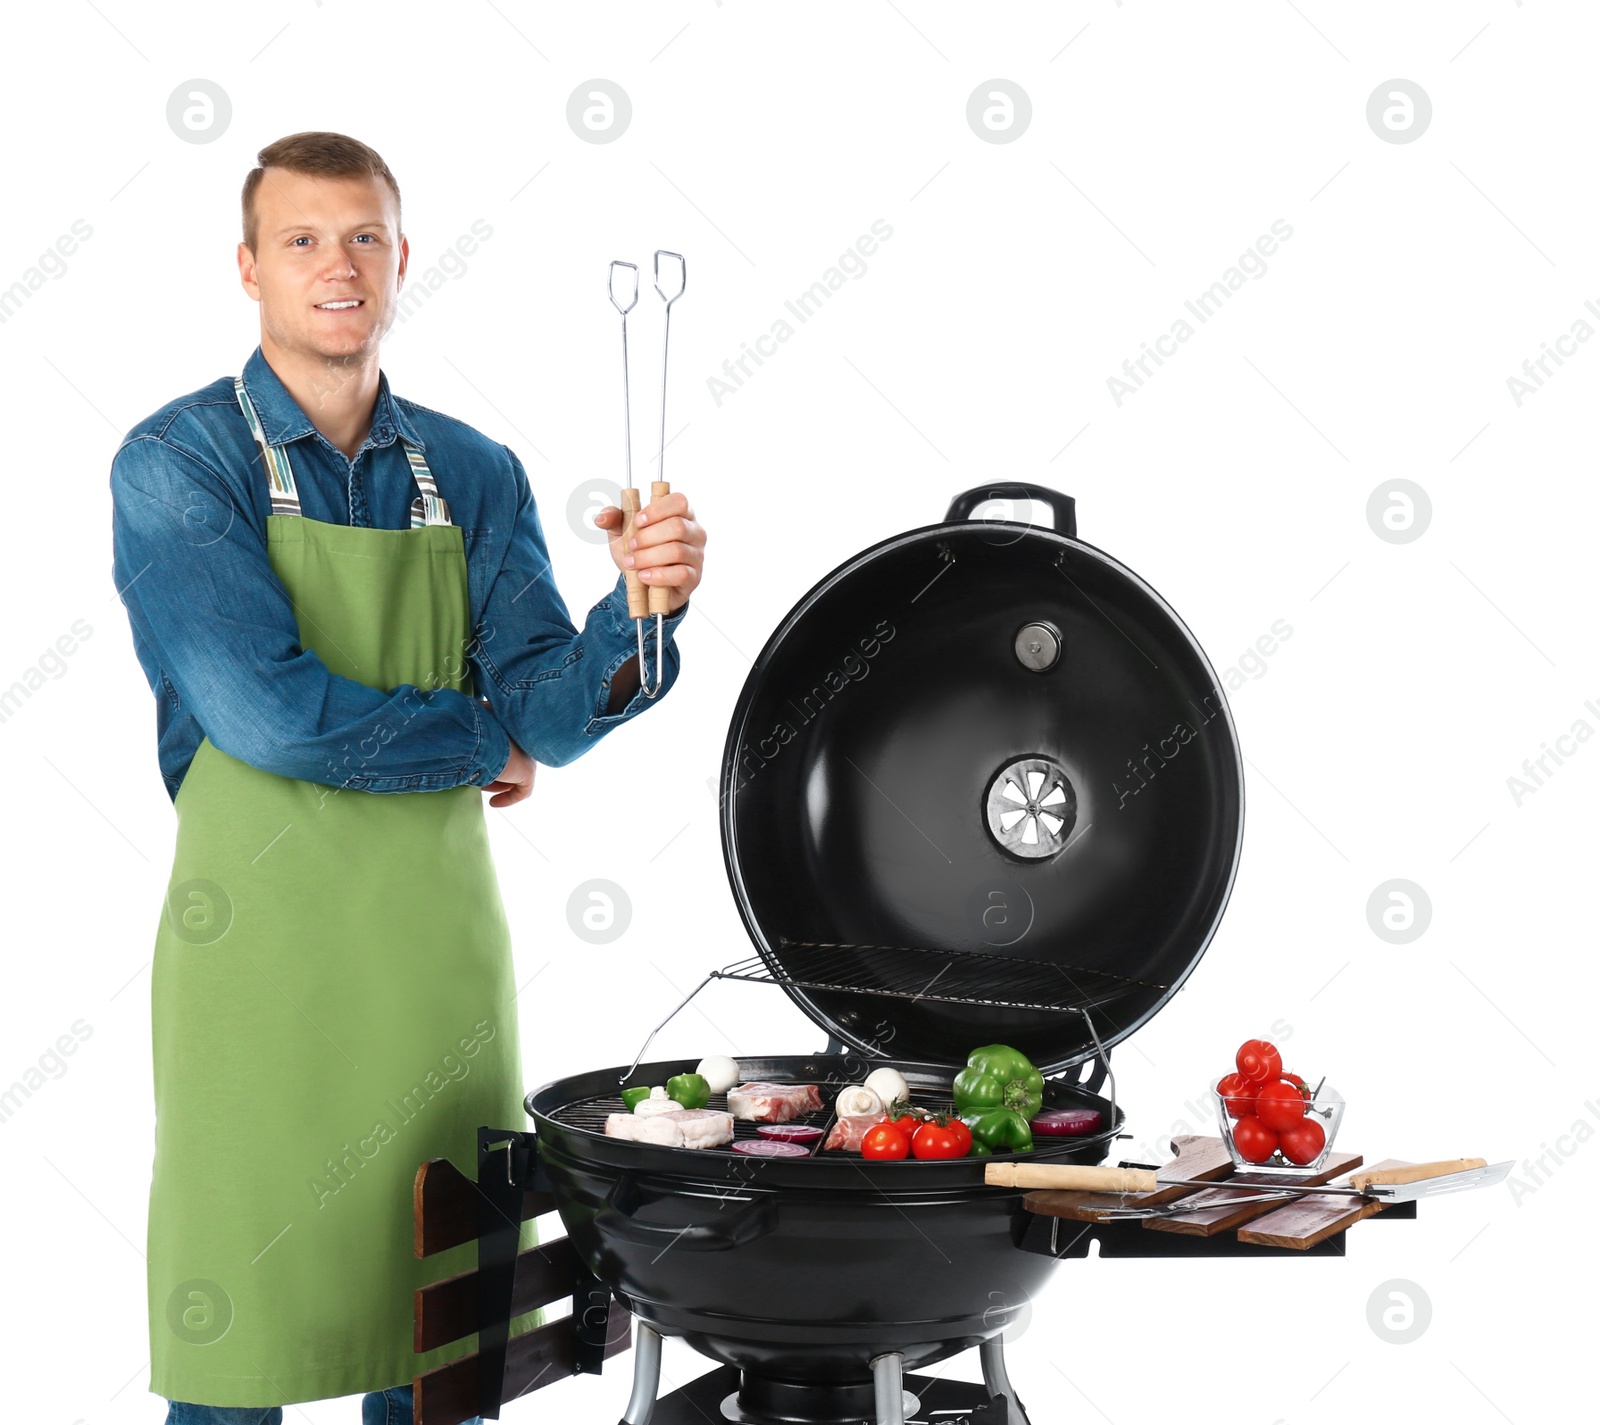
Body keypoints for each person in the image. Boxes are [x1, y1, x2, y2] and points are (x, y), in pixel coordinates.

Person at [109, 130, 707, 1425]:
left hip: (437, 977)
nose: (339, 264)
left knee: (441, 1355)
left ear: (400, 259)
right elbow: (275, 716)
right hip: (255, 983)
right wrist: (476, 740)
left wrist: (640, 613)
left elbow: (547, 703)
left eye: (364, 236)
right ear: (249, 269)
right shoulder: (176, 467)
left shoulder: (476, 475)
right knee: (236, 1353)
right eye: (303, 239)